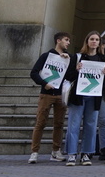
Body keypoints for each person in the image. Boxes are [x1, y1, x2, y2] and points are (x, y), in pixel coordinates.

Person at [27, 31, 76, 164]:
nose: (68, 43)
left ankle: (56, 151)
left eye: (69, 40)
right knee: (40, 123)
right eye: (66, 40)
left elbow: (71, 76)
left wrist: (70, 62)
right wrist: (44, 83)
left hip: (60, 94)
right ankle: (34, 152)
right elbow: (34, 72)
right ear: (58, 41)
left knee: (59, 124)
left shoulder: (68, 57)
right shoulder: (46, 56)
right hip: (46, 94)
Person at [65, 31, 105, 166]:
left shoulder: (102, 59)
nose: (94, 42)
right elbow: (68, 76)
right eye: (92, 39)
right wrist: (76, 70)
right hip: (78, 96)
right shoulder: (77, 57)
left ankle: (86, 153)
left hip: (94, 96)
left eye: (97, 39)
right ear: (87, 41)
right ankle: (72, 154)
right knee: (74, 125)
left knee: (90, 125)